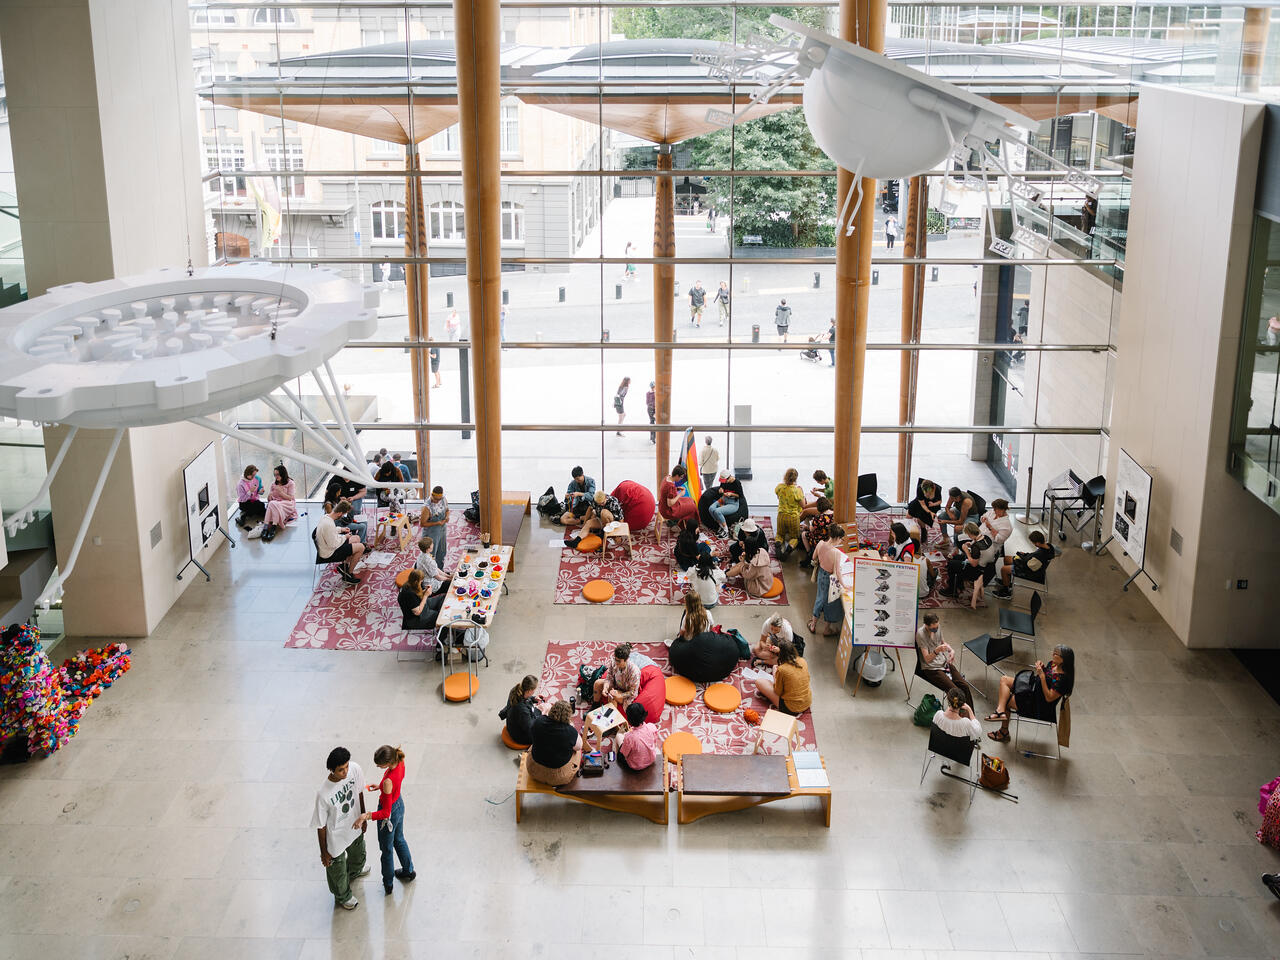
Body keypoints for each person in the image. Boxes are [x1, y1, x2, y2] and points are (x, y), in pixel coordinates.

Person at [310, 746, 369, 911]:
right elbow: (320, 825)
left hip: (354, 825)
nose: (345, 772)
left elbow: (360, 793)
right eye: (341, 770)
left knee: (359, 854)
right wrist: (324, 852)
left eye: (346, 766)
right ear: (331, 770)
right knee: (338, 871)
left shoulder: (354, 769)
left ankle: (356, 871)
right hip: (336, 837)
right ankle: (343, 896)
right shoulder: (323, 794)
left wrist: (363, 817)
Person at [356, 745, 414, 896]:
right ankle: (409, 870)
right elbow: (394, 783)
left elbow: (385, 813)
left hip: (390, 813)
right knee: (399, 839)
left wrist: (366, 816)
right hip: (399, 804)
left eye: (379, 765)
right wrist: (380, 787)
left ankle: (388, 883)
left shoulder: (388, 782)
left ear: (388, 763)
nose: (377, 766)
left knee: (387, 849)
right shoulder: (400, 761)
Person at [986, 644, 1075, 742]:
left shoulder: (1063, 680)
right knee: (1004, 680)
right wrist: (1042, 667)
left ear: (1063, 659)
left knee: (1006, 700)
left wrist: (1042, 676)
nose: (1053, 654)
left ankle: (1004, 732)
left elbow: (1049, 698)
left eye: (1056, 654)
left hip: (1038, 705)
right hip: (1033, 689)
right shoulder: (1053, 664)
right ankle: (1000, 711)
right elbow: (1048, 677)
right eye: (1054, 652)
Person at [915, 613, 973, 708]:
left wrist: (951, 650)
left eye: (937, 627)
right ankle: (959, 713)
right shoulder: (921, 634)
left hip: (943, 663)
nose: (936, 629)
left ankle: (970, 714)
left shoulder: (937, 627)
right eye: (933, 628)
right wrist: (937, 650)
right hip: (931, 668)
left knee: (964, 686)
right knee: (955, 691)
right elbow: (927, 659)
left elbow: (943, 642)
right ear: (926, 625)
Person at [747, 638, 811, 714]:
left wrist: (775, 674)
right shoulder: (802, 661)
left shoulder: (782, 670)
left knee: (759, 682)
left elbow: (778, 691)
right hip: (807, 702)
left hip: (790, 708)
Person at [526, 700, 582, 786]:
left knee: (534, 744)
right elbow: (579, 746)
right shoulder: (570, 731)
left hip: (533, 770)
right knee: (577, 751)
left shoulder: (539, 721)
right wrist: (571, 727)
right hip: (557, 777)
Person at [992, 530, 1055, 599]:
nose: (1033, 544)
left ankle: (1006, 592)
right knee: (1006, 559)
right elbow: (1033, 558)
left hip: (1030, 572)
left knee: (1004, 569)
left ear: (1037, 543)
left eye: (1033, 543)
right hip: (1032, 564)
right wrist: (1025, 555)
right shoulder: (1048, 547)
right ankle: (1007, 582)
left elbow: (1028, 566)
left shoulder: (1040, 555)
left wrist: (1018, 560)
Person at [944, 521, 992, 609]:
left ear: (970, 533)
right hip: (988, 566)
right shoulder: (986, 538)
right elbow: (981, 550)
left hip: (977, 571)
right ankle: (959, 583)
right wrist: (971, 543)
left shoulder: (976, 547)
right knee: (956, 558)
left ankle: (952, 589)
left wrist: (966, 551)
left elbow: (974, 564)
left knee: (951, 564)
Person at [808, 524, 845, 636]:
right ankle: (827, 629)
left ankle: (813, 624)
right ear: (837, 538)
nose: (841, 541)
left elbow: (814, 557)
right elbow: (837, 572)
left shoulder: (820, 544)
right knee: (832, 602)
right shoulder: (837, 553)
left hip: (821, 574)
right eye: (841, 539)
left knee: (820, 599)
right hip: (831, 579)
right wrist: (844, 585)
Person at [499, 675, 546, 746]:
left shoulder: (515, 690)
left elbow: (526, 699)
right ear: (529, 691)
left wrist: (534, 699)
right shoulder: (522, 709)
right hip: (520, 736)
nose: (534, 691)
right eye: (534, 690)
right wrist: (541, 712)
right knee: (545, 727)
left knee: (541, 711)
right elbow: (530, 728)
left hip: (512, 726)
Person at [593, 643, 641, 709]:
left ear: (626, 660)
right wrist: (605, 687)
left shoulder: (634, 672)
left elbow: (632, 692)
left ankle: (611, 714)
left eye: (619, 661)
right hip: (616, 686)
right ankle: (595, 706)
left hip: (625, 693)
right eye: (615, 659)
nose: (616, 663)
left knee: (612, 696)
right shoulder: (614, 662)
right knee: (597, 683)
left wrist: (619, 695)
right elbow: (609, 677)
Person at [725, 532, 773, 597]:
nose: (742, 546)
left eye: (744, 544)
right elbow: (752, 566)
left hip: (759, 587)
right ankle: (727, 573)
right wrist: (745, 560)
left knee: (740, 566)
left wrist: (743, 562)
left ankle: (724, 575)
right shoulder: (761, 551)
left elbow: (747, 575)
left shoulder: (756, 564)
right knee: (741, 564)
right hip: (766, 581)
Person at [259, 464, 298, 542]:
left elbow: (290, 498)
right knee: (272, 503)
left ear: (283, 474)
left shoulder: (290, 483)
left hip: (287, 503)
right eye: (275, 475)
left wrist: (280, 492)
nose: (276, 477)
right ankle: (273, 527)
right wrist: (269, 496)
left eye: (277, 474)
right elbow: (269, 500)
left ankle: (266, 527)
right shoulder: (273, 484)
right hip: (275, 503)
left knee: (272, 504)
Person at [617, 701, 658, 770]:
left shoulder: (629, 737)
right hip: (651, 759)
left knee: (619, 736)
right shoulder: (651, 727)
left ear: (629, 720)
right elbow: (654, 742)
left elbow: (624, 754)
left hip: (636, 765)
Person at [774, 467, 805, 557]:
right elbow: (803, 505)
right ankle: (788, 550)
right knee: (794, 537)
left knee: (780, 534)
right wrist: (802, 492)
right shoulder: (797, 490)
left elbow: (778, 497)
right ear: (795, 478)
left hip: (781, 515)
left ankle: (778, 545)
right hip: (793, 517)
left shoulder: (780, 487)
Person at [800, 497, 836, 567]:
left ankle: (809, 553)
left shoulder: (818, 517)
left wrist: (806, 526)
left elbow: (811, 529)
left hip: (819, 539)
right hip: (829, 538)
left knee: (804, 534)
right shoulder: (834, 515)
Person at [421, 486, 449, 570]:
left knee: (442, 551)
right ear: (432, 495)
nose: (437, 501)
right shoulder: (427, 507)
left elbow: (447, 510)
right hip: (431, 533)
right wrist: (437, 523)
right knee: (430, 554)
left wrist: (447, 516)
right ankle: (430, 572)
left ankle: (440, 569)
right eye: (435, 499)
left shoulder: (443, 499)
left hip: (442, 529)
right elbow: (422, 523)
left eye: (439, 499)